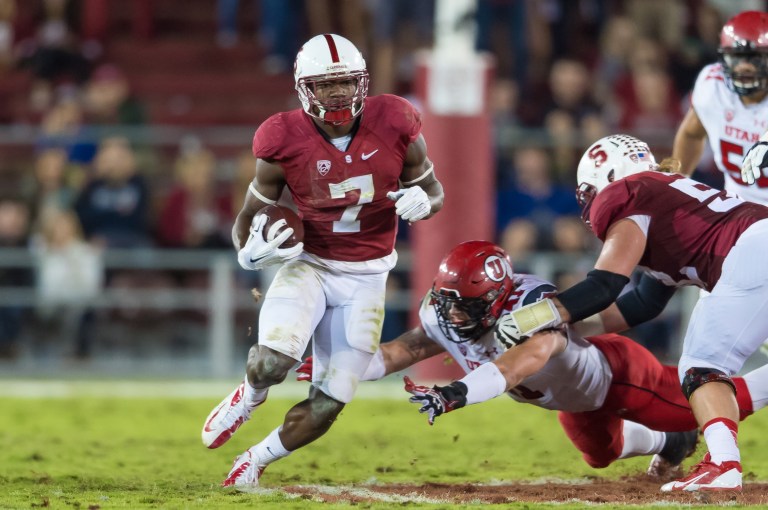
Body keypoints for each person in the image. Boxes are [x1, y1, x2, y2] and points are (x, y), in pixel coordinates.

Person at [295, 240, 765, 477]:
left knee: (715, 398)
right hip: (571, 402)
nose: (453, 312)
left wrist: (458, 391)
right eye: (448, 299)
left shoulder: (534, 310)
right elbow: (403, 350)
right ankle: (672, 443)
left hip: (618, 376)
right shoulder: (447, 313)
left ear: (500, 301)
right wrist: (343, 368)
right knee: (599, 455)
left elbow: (519, 362)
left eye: (466, 303)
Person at [201, 33, 444, 488]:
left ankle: (255, 459)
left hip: (368, 276)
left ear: (363, 83)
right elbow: (247, 219)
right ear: (302, 88)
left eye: (346, 82)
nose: (337, 93)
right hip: (310, 263)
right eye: (324, 85)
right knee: (272, 364)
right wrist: (249, 253)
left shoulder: (395, 120)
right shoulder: (281, 136)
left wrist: (423, 202)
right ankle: (249, 397)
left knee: (330, 403)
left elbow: (435, 192)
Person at [490, 134, 768, 492]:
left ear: (607, 178)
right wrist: (567, 332)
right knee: (706, 363)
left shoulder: (625, 195)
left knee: (702, 366)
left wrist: (532, 316)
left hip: (750, 254)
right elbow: (641, 303)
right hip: (756, 244)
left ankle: (723, 464)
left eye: (591, 192)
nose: (592, 204)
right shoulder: (664, 197)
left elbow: (604, 284)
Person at [671, 10, 768, 200]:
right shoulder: (713, 86)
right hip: (736, 208)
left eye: (754, 57)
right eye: (737, 57)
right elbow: (691, 133)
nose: (744, 67)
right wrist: (677, 180)